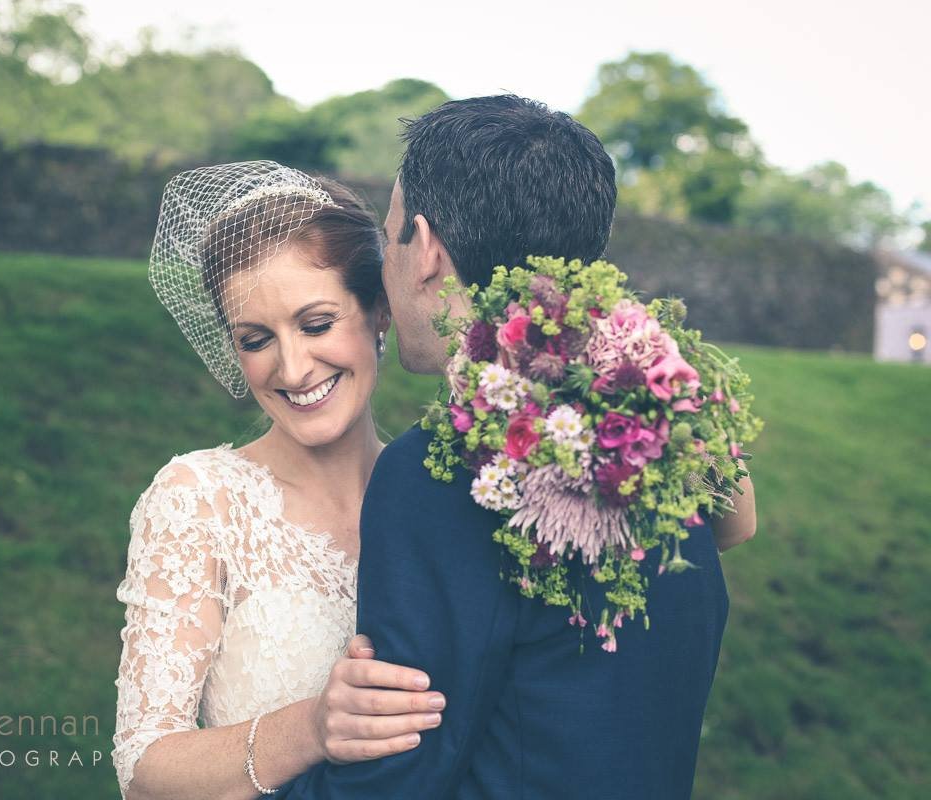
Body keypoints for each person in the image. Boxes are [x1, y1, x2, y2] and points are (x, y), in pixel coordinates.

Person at [266, 95, 757, 799]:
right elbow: (741, 527)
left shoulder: (441, 473)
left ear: (427, 249)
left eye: (393, 234)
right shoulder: (658, 425)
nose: (387, 266)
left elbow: (393, 776)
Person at [112, 164, 448, 800]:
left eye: (317, 324)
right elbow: (143, 768)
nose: (292, 368)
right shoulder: (199, 500)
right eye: (257, 338)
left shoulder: (440, 486)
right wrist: (311, 730)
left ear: (377, 311)